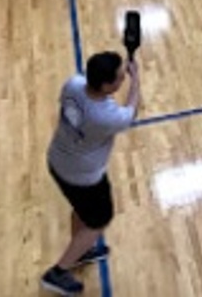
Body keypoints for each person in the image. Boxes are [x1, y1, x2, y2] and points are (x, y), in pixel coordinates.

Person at [40, 51, 141, 296]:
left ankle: (81, 250)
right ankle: (58, 273)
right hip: (84, 177)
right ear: (107, 86)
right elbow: (131, 110)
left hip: (57, 161)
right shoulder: (105, 116)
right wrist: (136, 80)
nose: (123, 80)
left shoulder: (73, 84)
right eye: (119, 78)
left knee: (82, 211)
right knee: (99, 221)